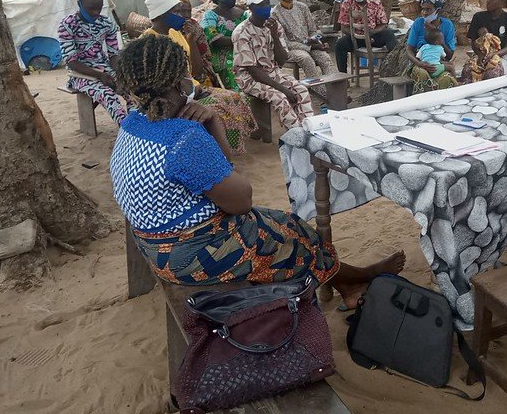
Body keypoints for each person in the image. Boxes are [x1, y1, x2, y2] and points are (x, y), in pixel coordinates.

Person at [110, 34, 405, 306]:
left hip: (156, 245)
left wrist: (212, 120)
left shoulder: (133, 124)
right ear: (177, 83)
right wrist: (211, 127)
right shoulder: (183, 138)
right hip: (191, 256)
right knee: (298, 239)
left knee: (287, 224)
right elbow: (241, 202)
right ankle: (351, 282)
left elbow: (220, 178)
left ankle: (349, 284)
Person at [142, 0, 256, 154]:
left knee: (234, 98)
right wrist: (189, 94)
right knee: (217, 110)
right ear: (161, 15)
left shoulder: (176, 34)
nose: (181, 15)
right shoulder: (149, 42)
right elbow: (158, 83)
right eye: (175, 12)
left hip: (192, 88)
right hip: (173, 95)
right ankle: (210, 153)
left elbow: (196, 70)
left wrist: (190, 39)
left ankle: (226, 152)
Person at [233, 0, 314, 132]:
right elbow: (253, 71)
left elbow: (282, 61)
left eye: (267, 3)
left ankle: (309, 129)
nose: (265, 8)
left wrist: (275, 36)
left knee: (301, 90)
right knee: (280, 98)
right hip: (249, 78)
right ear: (250, 8)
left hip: (273, 72)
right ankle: (297, 134)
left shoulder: (274, 26)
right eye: (260, 5)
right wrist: (283, 89)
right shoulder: (241, 32)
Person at [57, 0, 131, 124]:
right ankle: (127, 131)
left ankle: (137, 124)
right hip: (79, 74)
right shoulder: (67, 25)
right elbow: (72, 62)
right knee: (109, 96)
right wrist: (100, 75)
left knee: (132, 91)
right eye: (91, 9)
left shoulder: (106, 24)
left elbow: (114, 55)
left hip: (104, 69)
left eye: (99, 8)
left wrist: (120, 75)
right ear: (80, 4)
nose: (96, 13)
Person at [271, 0, 335, 79]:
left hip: (310, 44)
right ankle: (318, 89)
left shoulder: (302, 7)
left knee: (325, 57)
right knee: (306, 59)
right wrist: (309, 46)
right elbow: (284, 42)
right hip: (291, 49)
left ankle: (332, 86)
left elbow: (313, 30)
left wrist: (316, 41)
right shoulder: (275, 14)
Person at [334, 0, 398, 73]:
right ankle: (343, 77)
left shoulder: (375, 3)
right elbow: (343, 27)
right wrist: (356, 35)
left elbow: (383, 23)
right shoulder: (347, 4)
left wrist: (372, 32)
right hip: (356, 39)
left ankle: (393, 70)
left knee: (390, 35)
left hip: (374, 37)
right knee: (339, 44)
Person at [405, 0, 459, 93]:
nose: (424, 13)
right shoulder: (418, 23)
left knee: (446, 79)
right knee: (422, 75)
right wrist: (420, 63)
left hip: (438, 65)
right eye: (423, 9)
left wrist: (439, 37)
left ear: (437, 10)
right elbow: (409, 49)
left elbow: (449, 55)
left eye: (428, 9)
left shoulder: (447, 25)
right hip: (420, 64)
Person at [201, 0, 249, 90]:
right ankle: (238, 99)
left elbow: (251, 33)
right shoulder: (210, 15)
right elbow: (215, 39)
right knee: (233, 69)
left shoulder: (243, 13)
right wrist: (242, 40)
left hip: (244, 50)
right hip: (222, 55)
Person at [466, 0, 507, 76]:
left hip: (502, 56)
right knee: (467, 72)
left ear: (502, 2)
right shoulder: (478, 17)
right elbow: (473, 42)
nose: (488, 1)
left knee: (491, 73)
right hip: (481, 55)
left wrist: (494, 54)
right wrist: (479, 55)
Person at [172, 0, 218, 87]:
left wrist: (191, 40)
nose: (185, 15)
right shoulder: (167, 30)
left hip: (197, 71)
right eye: (179, 11)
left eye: (188, 11)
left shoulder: (194, 27)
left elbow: (203, 62)